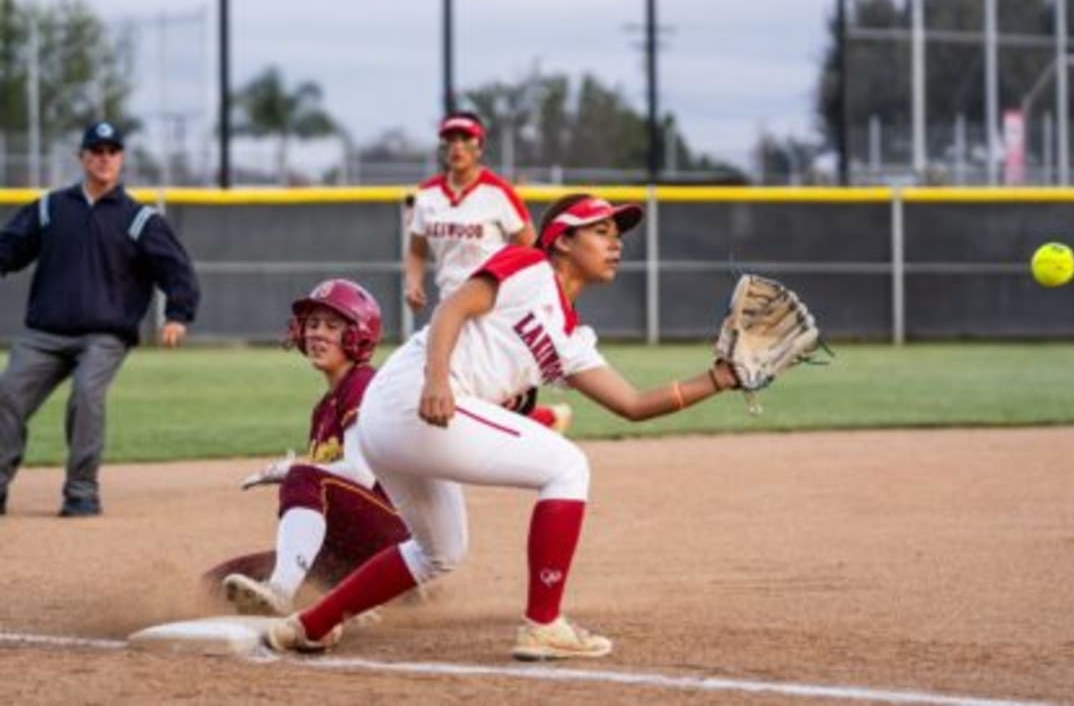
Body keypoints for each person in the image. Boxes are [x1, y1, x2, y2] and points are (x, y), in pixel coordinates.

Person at [265, 193, 741, 659]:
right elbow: (452, 308)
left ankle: (310, 624)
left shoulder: (571, 338)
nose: (615, 243)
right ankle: (544, 625)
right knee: (568, 466)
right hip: (414, 398)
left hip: (397, 423)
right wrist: (436, 380)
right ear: (562, 242)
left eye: (617, 235)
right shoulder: (529, 268)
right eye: (601, 231)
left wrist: (721, 378)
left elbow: (634, 404)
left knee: (439, 551)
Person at [0, 121, 199, 518]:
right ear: (82, 157)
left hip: (104, 335)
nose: (104, 158)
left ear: (121, 159)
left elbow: (177, 270)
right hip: (44, 332)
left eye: (112, 151)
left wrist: (178, 314)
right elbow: (11, 246)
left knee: (87, 395)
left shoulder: (140, 219)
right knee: (6, 395)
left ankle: (81, 492)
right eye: (96, 151)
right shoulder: (50, 208)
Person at [207, 279, 412, 617]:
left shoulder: (362, 384)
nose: (317, 333)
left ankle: (281, 592)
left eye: (332, 326)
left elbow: (360, 475)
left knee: (303, 477)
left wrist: (290, 472)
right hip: (347, 550)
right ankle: (355, 599)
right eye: (313, 324)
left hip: (390, 542)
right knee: (225, 578)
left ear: (357, 336)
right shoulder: (324, 407)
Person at [406, 111, 571, 434]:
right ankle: (546, 420)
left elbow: (532, 248)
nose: (457, 146)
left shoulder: (498, 193)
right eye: (450, 140)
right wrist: (413, 282)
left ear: (479, 147)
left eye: (465, 139)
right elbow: (416, 250)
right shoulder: (427, 195)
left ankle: (542, 420)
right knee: (448, 386)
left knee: (458, 386)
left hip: (492, 301)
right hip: (450, 305)